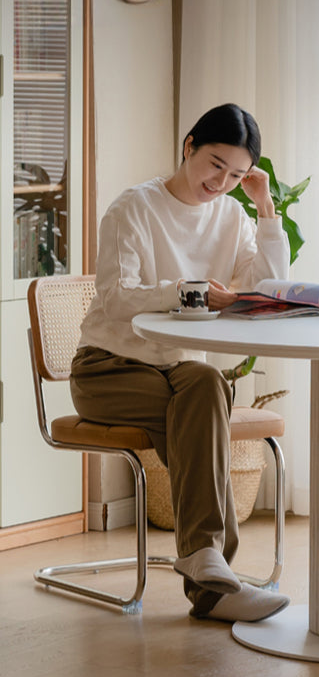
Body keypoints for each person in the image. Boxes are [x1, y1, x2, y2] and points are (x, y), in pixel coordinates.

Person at [70, 103, 290, 623]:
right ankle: (213, 577)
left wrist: (265, 210)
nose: (223, 182)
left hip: (179, 373)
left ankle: (206, 568)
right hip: (108, 369)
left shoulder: (233, 214)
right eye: (216, 164)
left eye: (238, 175)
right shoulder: (133, 209)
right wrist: (189, 292)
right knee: (200, 401)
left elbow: (264, 289)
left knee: (204, 382)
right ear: (189, 145)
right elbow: (117, 296)